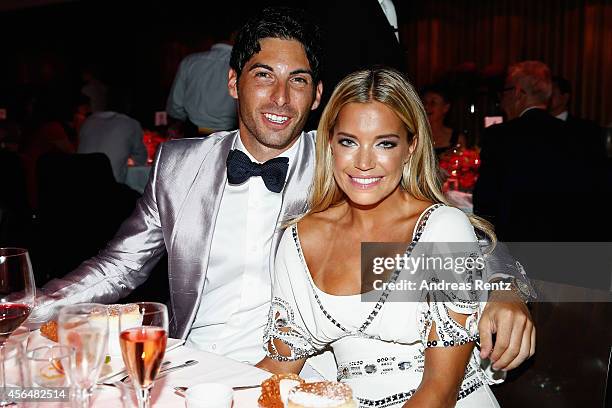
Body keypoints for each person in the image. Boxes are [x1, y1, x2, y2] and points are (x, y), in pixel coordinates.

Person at [34, 7, 533, 374]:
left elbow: (447, 230)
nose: (280, 97)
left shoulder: (343, 162)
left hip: (302, 374)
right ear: (234, 83)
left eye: (298, 81)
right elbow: (119, 266)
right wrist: (29, 307)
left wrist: (507, 291)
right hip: (190, 366)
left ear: (317, 96)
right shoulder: (179, 165)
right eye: (263, 76)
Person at [258, 67, 500, 406]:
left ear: (411, 147)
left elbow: (440, 392)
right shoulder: (301, 237)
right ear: (329, 143)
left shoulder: (442, 228)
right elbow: (280, 367)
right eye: (349, 142)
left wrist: (510, 290)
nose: (364, 163)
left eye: (385, 143)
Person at [474, 61, 606, 242]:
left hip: (518, 246)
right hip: (573, 244)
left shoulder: (500, 136)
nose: (502, 100)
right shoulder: (584, 135)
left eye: (505, 91)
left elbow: (486, 202)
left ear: (519, 92)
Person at [166, 25, 237, 137]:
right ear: (234, 35)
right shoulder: (242, 65)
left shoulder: (190, 61)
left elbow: (175, 107)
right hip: (230, 136)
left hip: (193, 134)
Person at [77, 89, 148, 183]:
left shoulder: (89, 121)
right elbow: (141, 160)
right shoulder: (130, 124)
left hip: (77, 182)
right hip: (110, 188)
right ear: (129, 105)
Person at [422, 84, 466, 157]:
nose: (426, 106)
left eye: (433, 103)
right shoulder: (416, 135)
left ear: (446, 108)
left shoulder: (457, 139)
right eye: (424, 102)